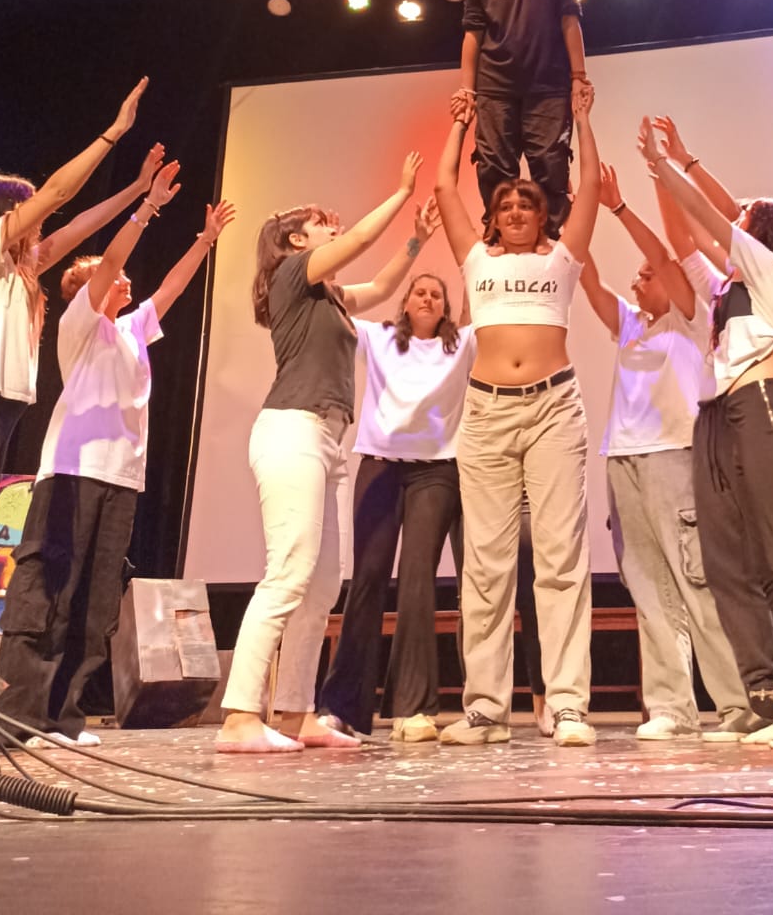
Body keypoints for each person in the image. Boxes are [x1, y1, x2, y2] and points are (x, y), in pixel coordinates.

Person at [0, 163, 236, 746]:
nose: (122, 279)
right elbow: (108, 264)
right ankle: (16, 713)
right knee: (49, 590)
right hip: (73, 472)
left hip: (121, 480)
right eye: (108, 276)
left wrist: (205, 241)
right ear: (85, 290)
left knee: (96, 602)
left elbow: (172, 288)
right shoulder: (80, 326)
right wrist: (146, 208)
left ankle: (61, 715)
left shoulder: (130, 332)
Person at [640, 116, 773, 751]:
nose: (739, 210)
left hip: (762, 409)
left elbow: (709, 213)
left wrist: (674, 164)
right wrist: (659, 177)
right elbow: (684, 241)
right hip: (732, 416)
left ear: (765, 232)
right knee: (761, 568)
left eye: (749, 211)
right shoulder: (734, 285)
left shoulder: (766, 270)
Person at [216, 155, 427, 754]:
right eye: (319, 222)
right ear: (295, 240)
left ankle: (295, 712)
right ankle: (238, 717)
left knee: (322, 584)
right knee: (288, 572)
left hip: (330, 439)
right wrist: (402, 190)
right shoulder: (291, 274)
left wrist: (417, 239)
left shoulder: (327, 296)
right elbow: (359, 238)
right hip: (292, 430)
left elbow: (383, 287)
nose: (332, 226)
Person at [0, 78, 150, 620]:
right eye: (26, 212)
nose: (39, 223)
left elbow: (78, 225)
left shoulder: (16, 268)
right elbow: (59, 195)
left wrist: (139, 192)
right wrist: (113, 133)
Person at [434, 86, 600, 747]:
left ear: (541, 215)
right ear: (493, 218)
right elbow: (446, 185)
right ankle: (484, 709)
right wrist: (459, 126)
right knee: (485, 563)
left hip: (554, 407)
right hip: (485, 413)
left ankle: (565, 706)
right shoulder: (475, 260)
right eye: (503, 204)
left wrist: (582, 119)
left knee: (560, 559)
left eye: (525, 203)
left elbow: (587, 189)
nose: (513, 210)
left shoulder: (562, 258)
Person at [578, 161, 753, 739]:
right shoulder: (632, 325)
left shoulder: (688, 315)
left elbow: (671, 262)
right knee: (648, 586)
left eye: (645, 274)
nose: (636, 283)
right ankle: (671, 707)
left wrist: (621, 208)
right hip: (623, 459)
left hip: (673, 456)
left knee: (694, 581)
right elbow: (590, 284)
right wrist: (572, 222)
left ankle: (735, 703)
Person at [316, 245, 473, 744]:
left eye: (436, 295)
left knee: (418, 583)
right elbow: (334, 300)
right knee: (366, 580)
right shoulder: (379, 338)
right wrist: (408, 249)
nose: (427, 298)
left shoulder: (460, 344)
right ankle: (342, 708)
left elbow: (483, 303)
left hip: (437, 472)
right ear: (405, 302)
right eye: (419, 293)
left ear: (446, 308)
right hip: (380, 466)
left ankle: (414, 709)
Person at [454, 0, 590, 236]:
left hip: (548, 86)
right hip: (496, 88)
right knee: (495, 168)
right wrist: (467, 89)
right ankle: (497, 240)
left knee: (550, 165)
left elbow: (569, 20)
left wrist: (579, 78)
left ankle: (550, 243)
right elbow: (473, 33)